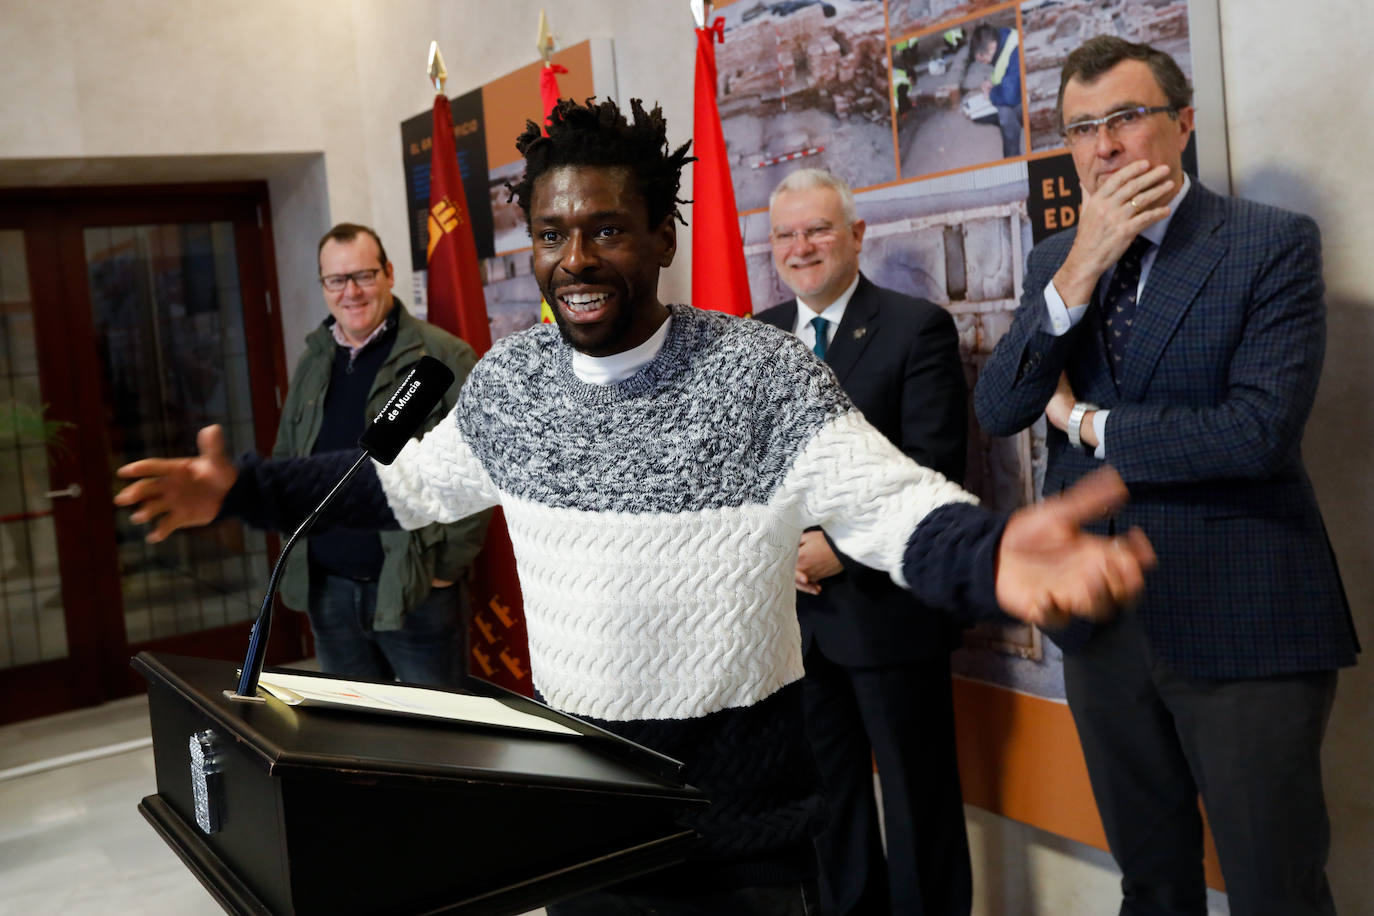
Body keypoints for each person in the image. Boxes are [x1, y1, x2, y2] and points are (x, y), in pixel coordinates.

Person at [116, 97, 1154, 915]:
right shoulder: (514, 384)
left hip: (747, 827)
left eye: (607, 229)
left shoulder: (757, 371)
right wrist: (244, 487)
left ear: (663, 236)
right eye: (554, 231)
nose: (574, 259)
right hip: (583, 818)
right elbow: (399, 485)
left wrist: (990, 553)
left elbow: (891, 503)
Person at [973, 35, 1359, 916]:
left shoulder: (1268, 243)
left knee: (1275, 889)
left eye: (1125, 118)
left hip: (1243, 623)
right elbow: (999, 407)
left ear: (1181, 124)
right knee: (1151, 885)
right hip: (1102, 630)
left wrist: (1082, 421)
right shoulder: (1056, 260)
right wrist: (1080, 267)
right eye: (1081, 128)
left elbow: (1254, 433)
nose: (1103, 145)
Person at [756, 168, 971, 915]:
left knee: (919, 804)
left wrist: (837, 550)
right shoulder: (759, 337)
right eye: (785, 234)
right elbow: (748, 470)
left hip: (890, 615)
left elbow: (933, 465)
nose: (801, 247)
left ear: (856, 235)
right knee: (830, 806)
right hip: (796, 623)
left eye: (816, 229)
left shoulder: (915, 328)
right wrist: (775, 548)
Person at [279, 222, 489, 687]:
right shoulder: (315, 359)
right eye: (336, 280)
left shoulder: (442, 357)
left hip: (415, 588)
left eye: (364, 275)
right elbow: (287, 458)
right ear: (323, 286)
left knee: (439, 738)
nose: (350, 292)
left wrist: (445, 569)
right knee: (354, 740)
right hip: (328, 587)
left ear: (389, 273)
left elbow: (481, 467)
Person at [971, 23, 1022, 158]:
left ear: (992, 46)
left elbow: (1010, 95)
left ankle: (1012, 159)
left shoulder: (1015, 50)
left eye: (983, 59)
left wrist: (991, 94)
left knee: (1005, 113)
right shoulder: (1002, 38)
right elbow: (1003, 69)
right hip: (1018, 86)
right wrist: (991, 82)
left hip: (1026, 94)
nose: (985, 63)